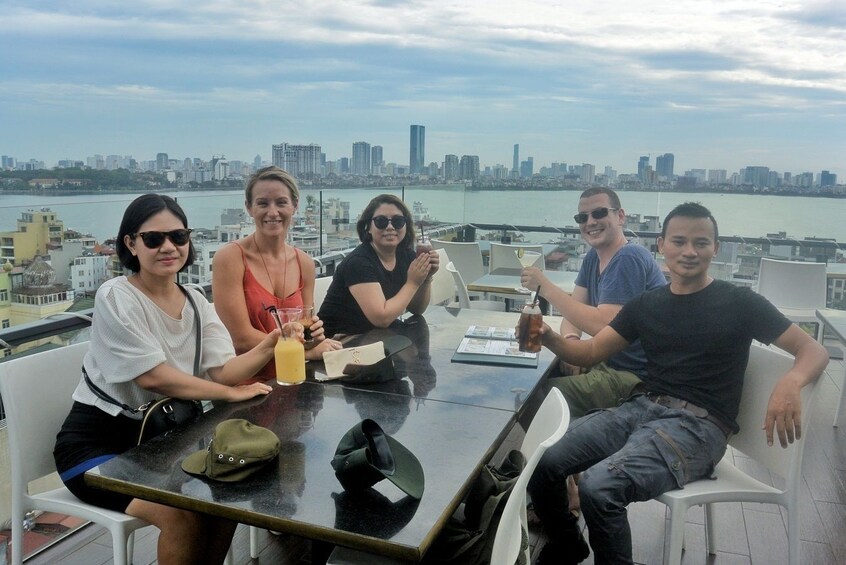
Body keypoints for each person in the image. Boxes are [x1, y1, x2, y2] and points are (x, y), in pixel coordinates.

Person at [525, 202, 829, 564]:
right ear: (662, 246)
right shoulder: (646, 304)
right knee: (543, 459)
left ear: (715, 248)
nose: (689, 251)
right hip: (643, 407)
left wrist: (792, 381)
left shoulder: (740, 303)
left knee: (600, 486)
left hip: (700, 429)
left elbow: (811, 348)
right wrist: (548, 336)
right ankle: (567, 543)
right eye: (679, 241)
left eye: (701, 243)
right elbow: (590, 352)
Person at [54, 194, 280, 565]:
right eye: (153, 239)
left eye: (178, 236)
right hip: (98, 450)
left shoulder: (194, 299)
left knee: (224, 502)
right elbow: (155, 377)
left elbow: (222, 369)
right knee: (179, 514)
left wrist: (271, 345)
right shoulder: (116, 296)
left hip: (162, 446)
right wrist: (228, 393)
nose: (168, 247)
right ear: (130, 243)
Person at [521, 187, 667, 418]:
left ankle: (554, 452)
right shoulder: (594, 256)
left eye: (599, 213)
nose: (590, 222)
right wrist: (571, 340)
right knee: (527, 376)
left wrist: (546, 287)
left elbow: (605, 324)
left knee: (530, 396)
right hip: (606, 361)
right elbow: (572, 315)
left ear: (620, 216)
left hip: (634, 376)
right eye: (582, 217)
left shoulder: (629, 258)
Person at [213, 166, 342, 380]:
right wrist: (308, 352)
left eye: (281, 202)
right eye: (263, 203)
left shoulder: (304, 263)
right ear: (249, 208)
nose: (272, 212)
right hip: (248, 384)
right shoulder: (230, 258)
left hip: (295, 377)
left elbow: (302, 329)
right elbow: (241, 338)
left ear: (294, 206)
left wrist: (314, 336)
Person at [318, 194, 439, 336]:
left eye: (398, 221)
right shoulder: (358, 263)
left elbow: (417, 309)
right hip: (340, 343)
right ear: (368, 227)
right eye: (381, 221)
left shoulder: (406, 255)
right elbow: (381, 318)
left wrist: (425, 278)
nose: (390, 227)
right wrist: (413, 282)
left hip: (376, 339)